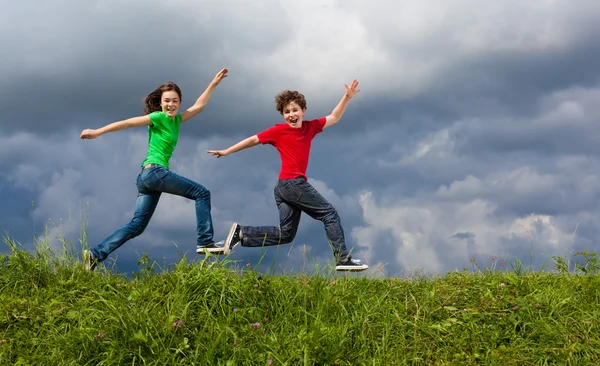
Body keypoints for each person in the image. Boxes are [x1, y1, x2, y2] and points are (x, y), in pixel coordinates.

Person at [207, 79, 368, 272]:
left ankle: (242, 233)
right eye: (287, 112)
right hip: (292, 184)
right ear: (283, 115)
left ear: (303, 111)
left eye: (294, 110)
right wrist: (227, 151)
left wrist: (346, 97)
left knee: (286, 234)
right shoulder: (278, 130)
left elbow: (334, 117)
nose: (291, 115)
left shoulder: (311, 127)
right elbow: (253, 139)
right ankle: (343, 258)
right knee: (329, 214)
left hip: (285, 187)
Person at [80, 68, 229, 271]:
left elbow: (199, 106)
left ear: (179, 102)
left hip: (147, 178)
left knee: (137, 226)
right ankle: (205, 242)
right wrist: (98, 132)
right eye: (167, 100)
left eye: (175, 101)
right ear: (160, 102)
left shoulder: (177, 120)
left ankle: (94, 255)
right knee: (202, 193)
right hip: (155, 172)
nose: (170, 104)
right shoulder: (158, 117)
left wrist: (214, 83)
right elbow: (128, 122)